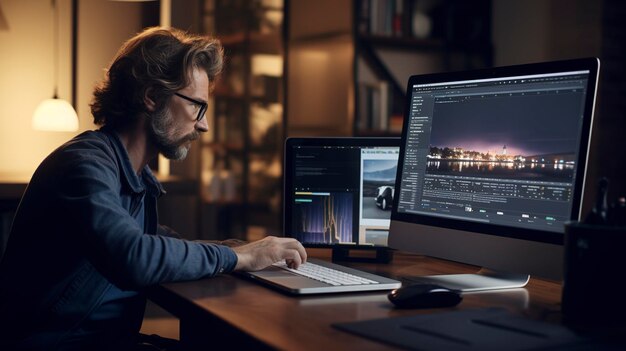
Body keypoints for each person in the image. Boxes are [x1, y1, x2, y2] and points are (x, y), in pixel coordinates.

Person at [0, 27, 307, 351]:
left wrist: (240, 249)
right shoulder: (84, 165)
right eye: (196, 107)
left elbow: (154, 244)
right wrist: (235, 256)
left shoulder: (132, 175)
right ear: (151, 96)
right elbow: (135, 255)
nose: (203, 125)